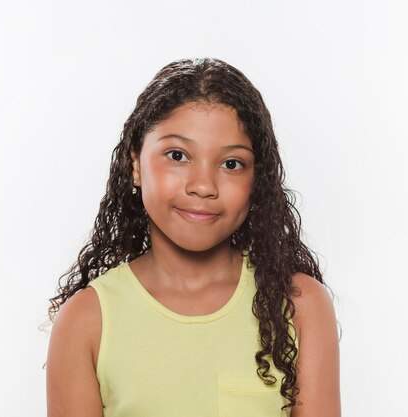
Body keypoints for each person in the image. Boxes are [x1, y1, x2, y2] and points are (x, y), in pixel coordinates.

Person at [45, 57, 341, 417]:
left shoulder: (298, 305)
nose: (203, 186)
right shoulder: (87, 321)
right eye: (177, 155)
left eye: (231, 164)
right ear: (135, 163)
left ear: (256, 179)